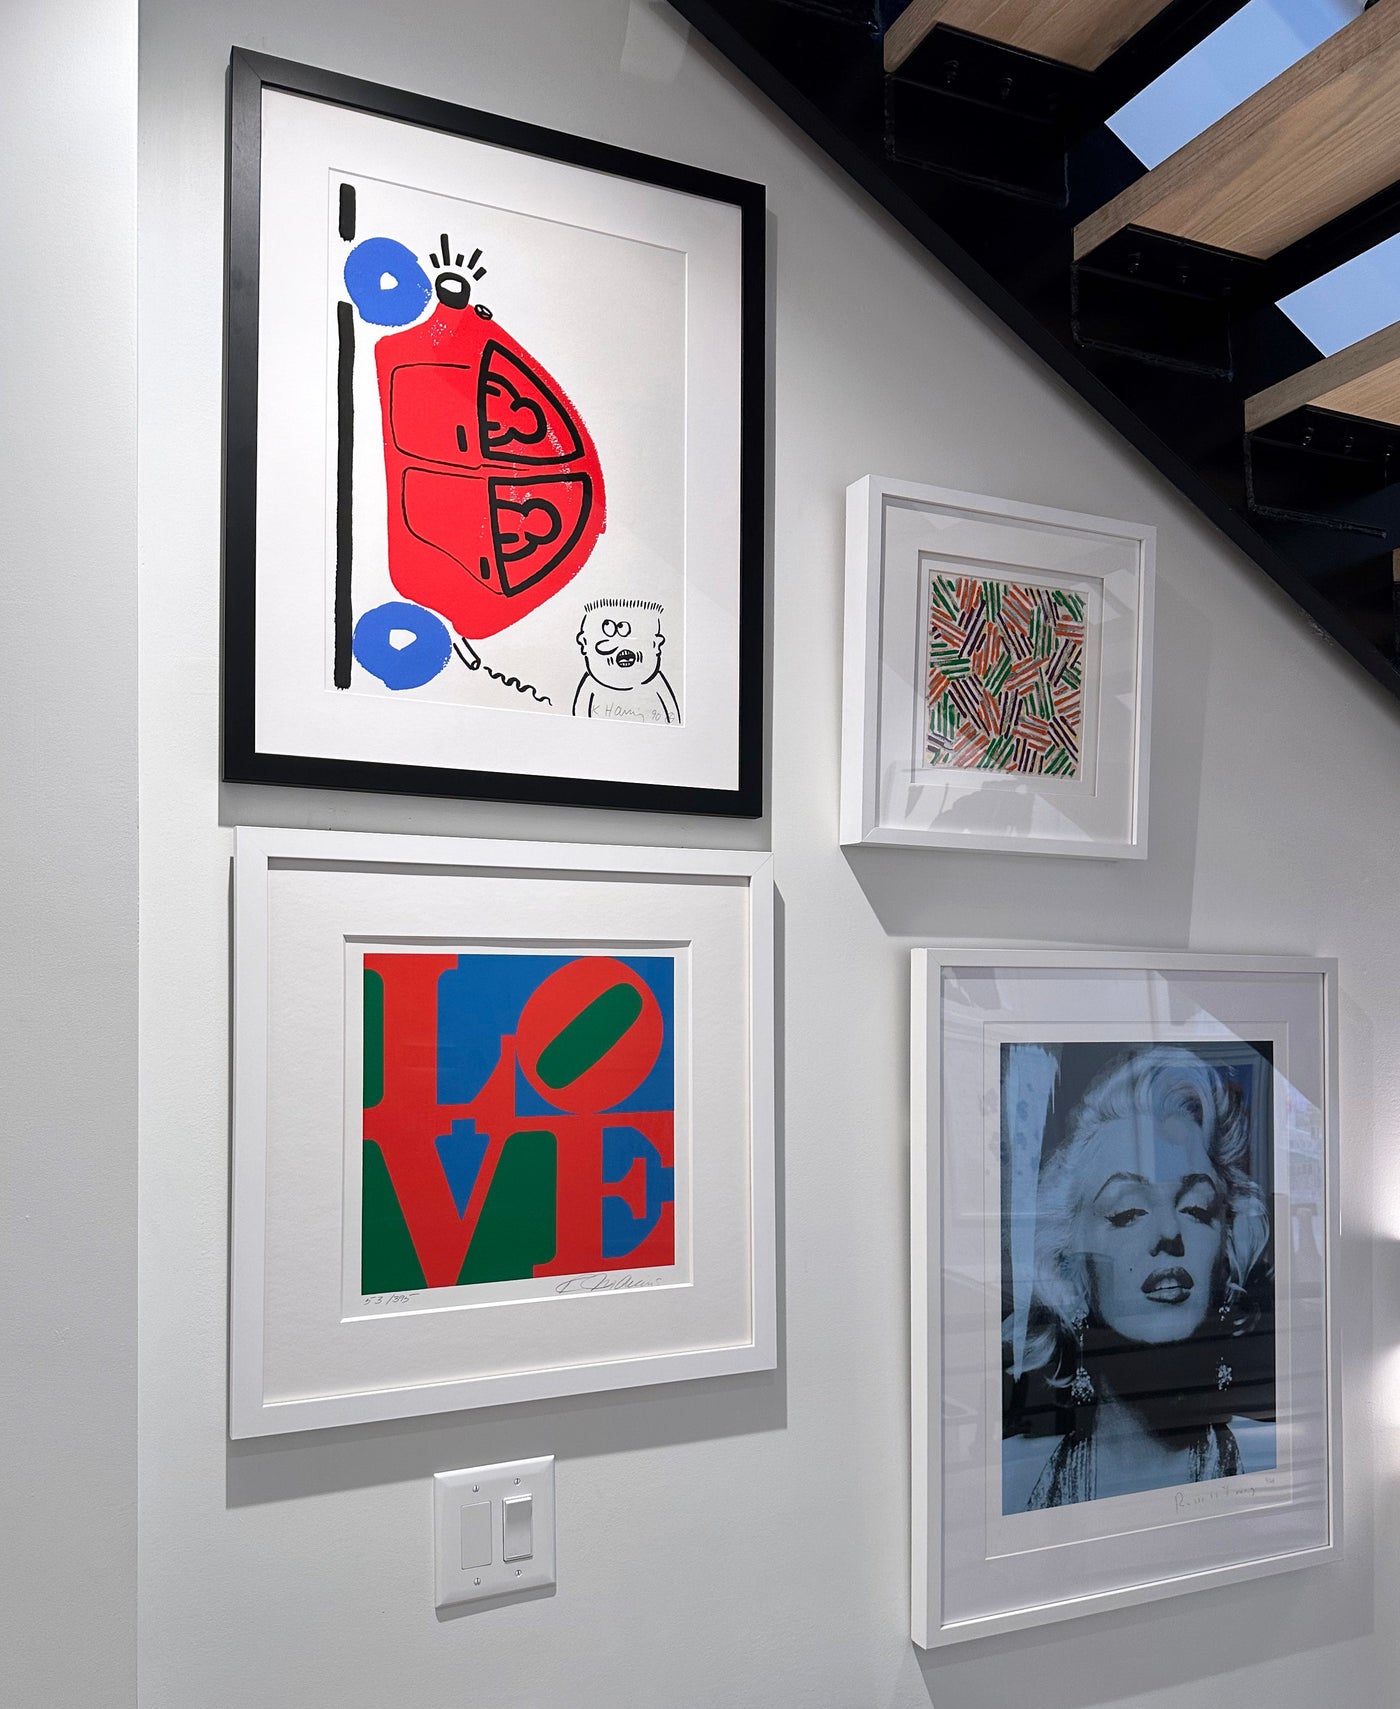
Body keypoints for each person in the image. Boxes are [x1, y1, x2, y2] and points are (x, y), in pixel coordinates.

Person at [1002, 1045, 1274, 1511]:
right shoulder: (1007, 1484)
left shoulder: (1276, 1462)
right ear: (1069, 1268)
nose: (1169, 1232)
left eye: (1196, 1209)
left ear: (1226, 1252)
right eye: (1128, 1212)